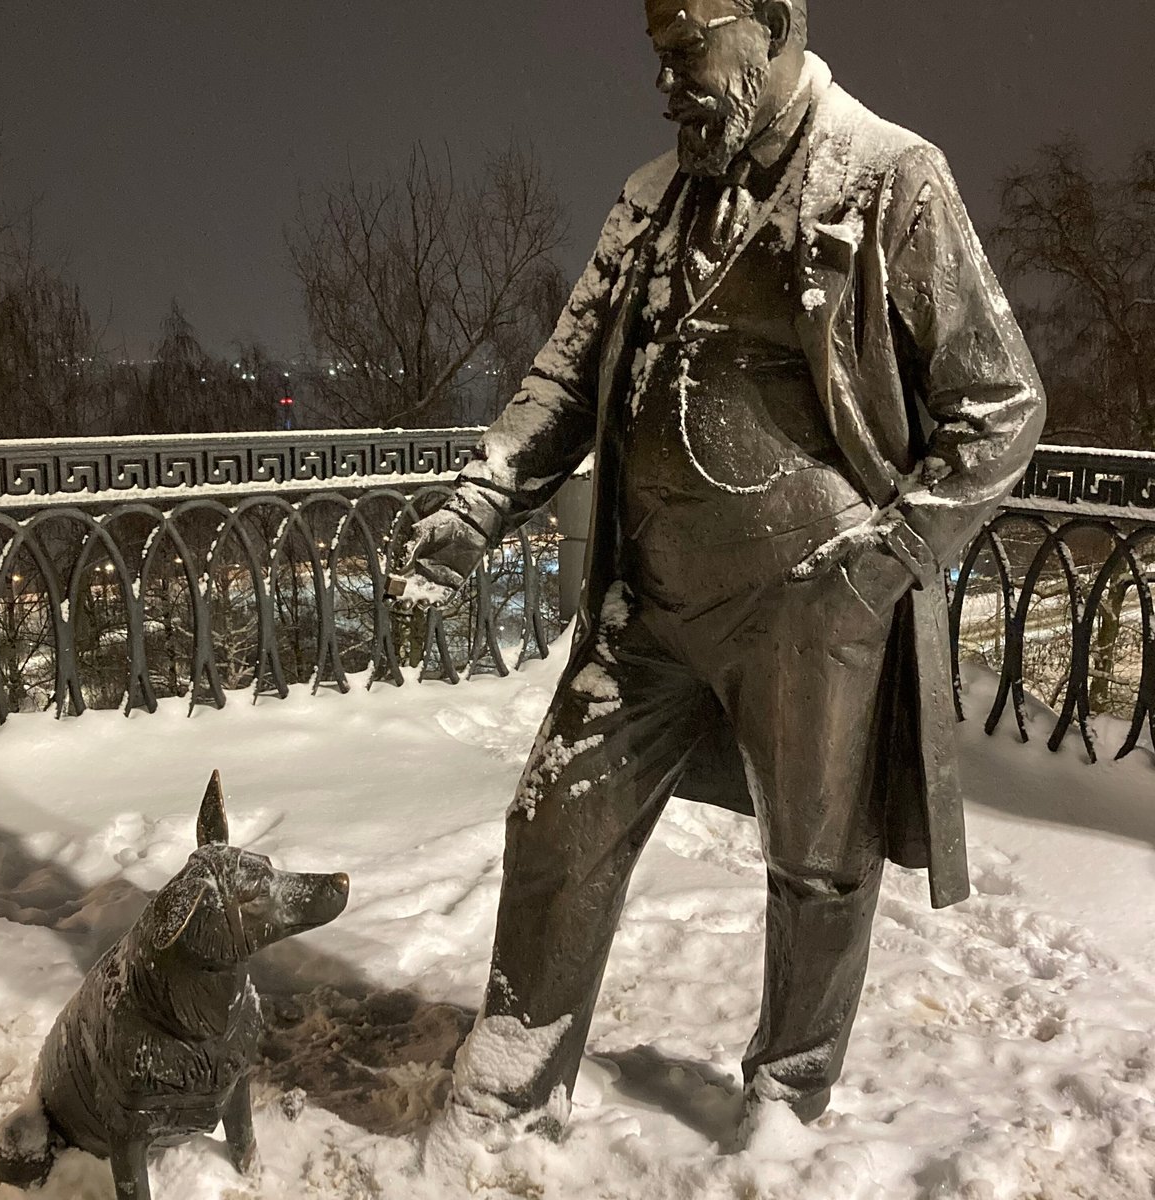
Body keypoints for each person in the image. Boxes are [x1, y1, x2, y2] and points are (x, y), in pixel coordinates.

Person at [393, 0, 1045, 1147]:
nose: (666, 79)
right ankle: (510, 1078)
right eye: (657, 53)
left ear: (775, 24)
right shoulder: (652, 197)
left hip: (811, 605)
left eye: (685, 48)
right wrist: (484, 499)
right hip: (647, 603)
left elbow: (999, 404)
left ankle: (785, 1102)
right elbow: (563, 376)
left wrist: (886, 559)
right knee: (557, 822)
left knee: (817, 865)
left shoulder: (892, 178)